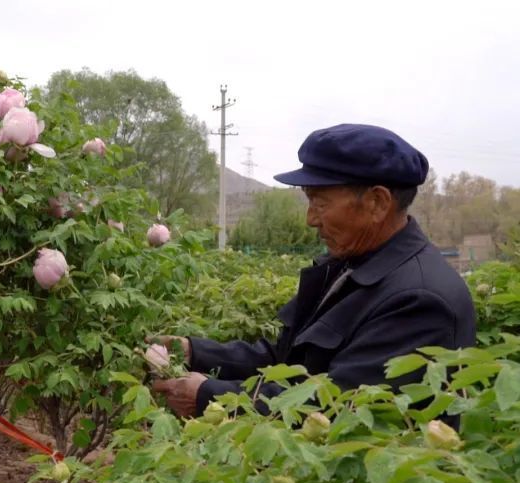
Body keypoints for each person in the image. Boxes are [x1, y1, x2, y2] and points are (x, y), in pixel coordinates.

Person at [150, 123, 475, 418]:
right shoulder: (350, 266)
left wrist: (209, 396)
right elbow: (285, 360)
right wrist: (194, 351)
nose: (310, 219)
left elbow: (335, 406)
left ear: (377, 202)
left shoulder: (419, 299)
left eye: (320, 203)